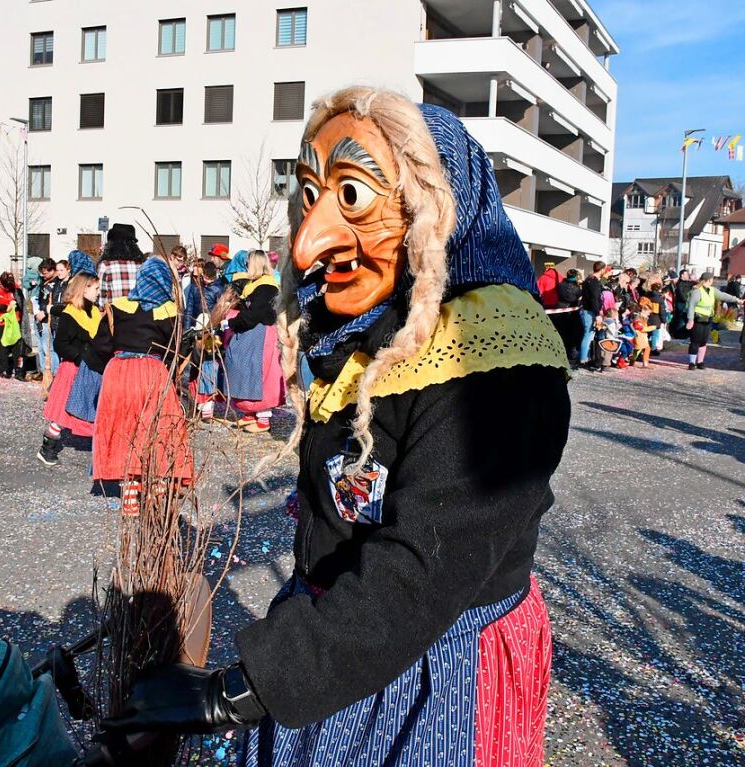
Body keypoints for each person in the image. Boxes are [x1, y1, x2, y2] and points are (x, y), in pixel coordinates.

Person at [102, 89, 571, 766]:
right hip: (341, 637)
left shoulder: (492, 351)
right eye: (312, 194)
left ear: (432, 204)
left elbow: (426, 566)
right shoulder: (372, 327)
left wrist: (242, 687)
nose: (309, 240)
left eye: (352, 195)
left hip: (430, 660)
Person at [89, 256, 192, 513]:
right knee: (158, 427)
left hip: (119, 374)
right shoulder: (170, 312)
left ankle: (129, 495)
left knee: (125, 429)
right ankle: (157, 485)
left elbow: (100, 346)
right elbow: (176, 350)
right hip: (152, 375)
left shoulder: (117, 307)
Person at [38, 273, 101, 466]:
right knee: (63, 412)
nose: (99, 292)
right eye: (96, 288)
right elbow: (61, 344)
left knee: (90, 407)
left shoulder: (96, 312)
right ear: (84, 288)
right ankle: (47, 447)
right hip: (73, 368)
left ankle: (100, 447)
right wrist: (81, 356)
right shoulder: (70, 313)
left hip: (90, 367)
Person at [218, 250, 285, 433]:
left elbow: (255, 314)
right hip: (252, 334)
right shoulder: (256, 285)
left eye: (249, 263)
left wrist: (231, 323)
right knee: (244, 369)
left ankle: (263, 419)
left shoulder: (266, 287)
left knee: (259, 373)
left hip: (259, 335)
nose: (246, 266)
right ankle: (249, 413)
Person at [686, 271, 741, 370]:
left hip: (708, 320)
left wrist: (736, 300)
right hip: (698, 319)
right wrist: (690, 320)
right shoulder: (697, 291)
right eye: (711, 280)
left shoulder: (712, 290)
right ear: (708, 280)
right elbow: (691, 306)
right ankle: (691, 362)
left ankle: (700, 362)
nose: (712, 281)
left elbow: (724, 296)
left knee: (703, 341)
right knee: (695, 341)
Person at [97, 223, 143, 307]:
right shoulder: (143, 266)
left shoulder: (106, 266)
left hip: (116, 317)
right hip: (141, 317)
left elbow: (101, 299)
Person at [34, 257, 66, 377]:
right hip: (40, 316)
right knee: (41, 348)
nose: (43, 275)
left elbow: (53, 303)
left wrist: (45, 312)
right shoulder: (44, 283)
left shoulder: (56, 284)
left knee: (50, 348)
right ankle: (44, 372)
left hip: (49, 318)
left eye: (46, 272)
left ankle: (55, 372)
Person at [578, 260, 606, 367]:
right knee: (588, 334)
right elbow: (594, 299)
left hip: (587, 309)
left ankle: (585, 357)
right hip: (590, 311)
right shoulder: (594, 282)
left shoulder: (588, 280)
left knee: (588, 334)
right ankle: (583, 358)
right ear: (602, 269)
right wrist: (598, 314)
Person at [555, 268, 583, 364]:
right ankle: (571, 355)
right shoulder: (576, 288)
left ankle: (560, 353)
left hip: (559, 310)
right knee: (573, 334)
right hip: (572, 312)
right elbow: (578, 296)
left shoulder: (560, 285)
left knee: (561, 333)